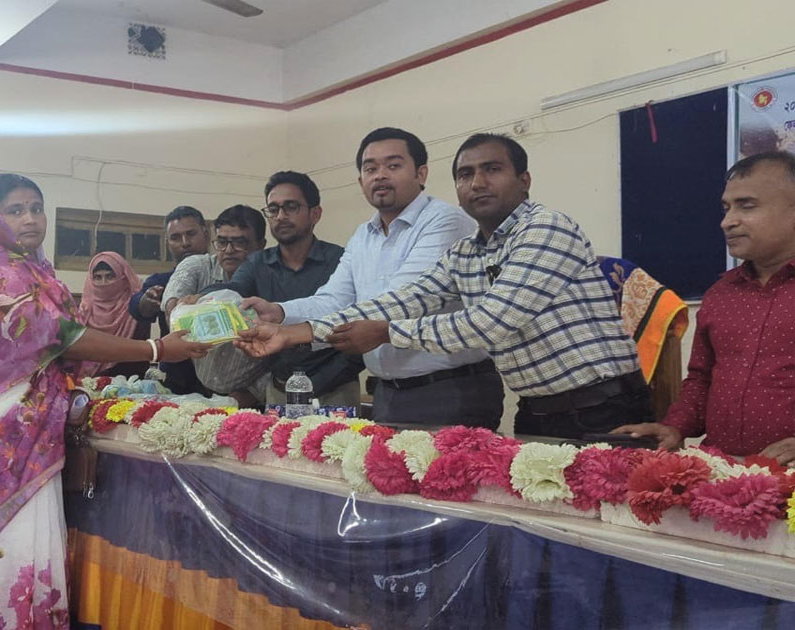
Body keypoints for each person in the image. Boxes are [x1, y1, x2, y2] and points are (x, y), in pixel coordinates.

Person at [0, 174, 209, 629]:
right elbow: (64, 338)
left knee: (25, 546)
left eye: (36, 208)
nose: (30, 219)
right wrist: (158, 349)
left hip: (31, 435)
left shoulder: (38, 273)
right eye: (15, 210)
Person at [237, 134, 649, 439]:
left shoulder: (545, 228)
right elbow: (408, 300)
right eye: (466, 175)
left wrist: (386, 332)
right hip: (535, 409)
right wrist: (292, 332)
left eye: (492, 170)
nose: (477, 183)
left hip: (602, 406)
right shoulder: (466, 252)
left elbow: (488, 323)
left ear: (524, 180)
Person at [243, 129, 502, 428]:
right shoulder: (363, 235)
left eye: (393, 165)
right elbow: (334, 299)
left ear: (421, 173)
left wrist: (296, 333)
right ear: (360, 181)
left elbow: (402, 301)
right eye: (370, 168)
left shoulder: (444, 221)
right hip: (388, 392)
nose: (380, 175)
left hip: (451, 389)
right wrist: (278, 312)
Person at [614, 151, 795, 462]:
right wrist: (674, 427)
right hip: (721, 468)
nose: (728, 222)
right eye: (726, 208)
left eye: (747, 206)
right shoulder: (721, 294)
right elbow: (702, 379)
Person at [207, 171, 364, 406]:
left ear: (315, 213)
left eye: (291, 207)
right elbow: (234, 288)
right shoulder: (258, 263)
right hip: (280, 388)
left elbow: (361, 322)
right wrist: (198, 298)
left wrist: (320, 381)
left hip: (336, 389)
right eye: (273, 209)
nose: (280, 216)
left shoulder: (341, 261)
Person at [128, 206, 210, 393]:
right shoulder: (161, 282)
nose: (185, 243)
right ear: (167, 243)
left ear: (206, 234)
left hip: (224, 383)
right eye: (175, 238)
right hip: (177, 382)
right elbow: (136, 307)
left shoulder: (226, 276)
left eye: (191, 234)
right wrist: (147, 302)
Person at [162, 204, 267, 315]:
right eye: (222, 242)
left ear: (260, 245)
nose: (229, 250)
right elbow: (173, 308)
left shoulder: (272, 274)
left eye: (239, 243)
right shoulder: (198, 266)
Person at [80, 251, 149, 376]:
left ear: (123, 277)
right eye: (97, 277)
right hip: (85, 382)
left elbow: (140, 358)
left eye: (110, 276)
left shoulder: (136, 310)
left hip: (129, 382)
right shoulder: (84, 312)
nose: (104, 283)